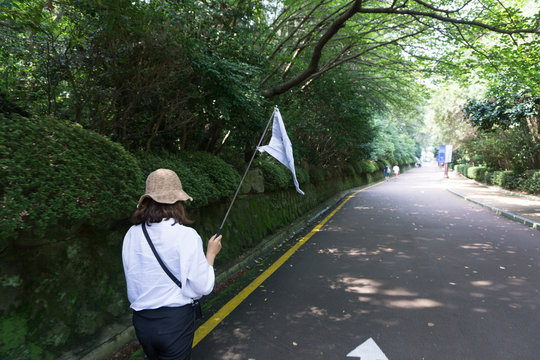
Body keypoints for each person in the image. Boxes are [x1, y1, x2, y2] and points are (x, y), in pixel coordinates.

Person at [122, 168, 222, 360]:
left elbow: (132, 276)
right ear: (178, 202)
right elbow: (203, 286)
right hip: (174, 322)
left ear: (147, 201)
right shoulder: (186, 235)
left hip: (142, 323)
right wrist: (211, 254)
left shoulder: (132, 234)